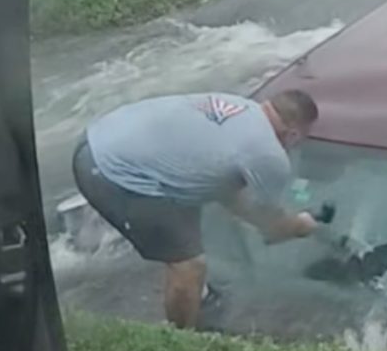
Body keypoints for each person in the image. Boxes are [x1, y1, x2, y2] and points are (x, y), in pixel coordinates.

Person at [71, 89, 323, 330]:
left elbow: (232, 197)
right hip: (110, 172)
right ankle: (181, 342)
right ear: (292, 135)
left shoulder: (240, 106)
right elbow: (271, 222)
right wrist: (300, 225)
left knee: (190, 209)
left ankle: (196, 297)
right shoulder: (268, 154)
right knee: (189, 266)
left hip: (98, 136)